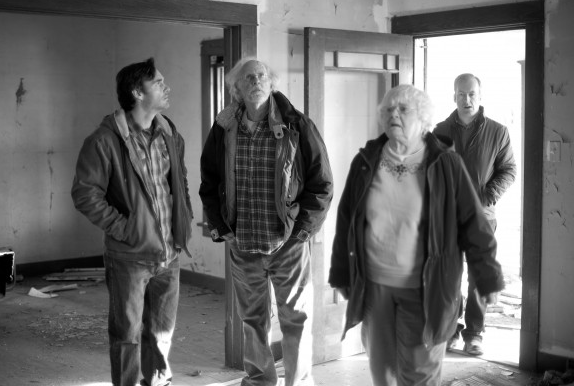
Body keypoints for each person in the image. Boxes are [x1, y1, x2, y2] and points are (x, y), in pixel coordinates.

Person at [328, 84, 505, 386]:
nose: (393, 114)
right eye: (388, 109)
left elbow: (473, 224)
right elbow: (347, 221)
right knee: (382, 372)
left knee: (419, 375)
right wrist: (342, 274)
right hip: (375, 289)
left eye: (403, 109)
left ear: (423, 118)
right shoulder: (365, 161)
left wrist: (488, 277)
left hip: (427, 290)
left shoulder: (446, 164)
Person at [199, 58, 333, 386]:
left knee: (296, 319)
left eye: (261, 76)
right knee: (252, 321)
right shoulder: (223, 128)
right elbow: (209, 182)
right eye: (248, 78)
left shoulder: (297, 124)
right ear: (237, 88)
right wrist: (221, 228)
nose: (256, 81)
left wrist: (302, 231)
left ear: (271, 83)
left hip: (288, 243)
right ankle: (260, 381)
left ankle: (298, 383)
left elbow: (322, 183)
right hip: (243, 243)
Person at [71, 58, 193, 386]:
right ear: (138, 92)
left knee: (162, 334)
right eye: (159, 83)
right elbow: (85, 194)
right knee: (126, 335)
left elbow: (178, 182)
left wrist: (184, 221)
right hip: (129, 257)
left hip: (169, 254)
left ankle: (157, 382)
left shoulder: (169, 133)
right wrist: (125, 229)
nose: (166, 87)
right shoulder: (104, 140)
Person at [433, 73, 516, 356]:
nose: (466, 99)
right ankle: (450, 330)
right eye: (461, 94)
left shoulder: (498, 131)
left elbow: (509, 170)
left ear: (480, 96)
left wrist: (485, 196)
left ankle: (474, 334)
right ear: (453, 96)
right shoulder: (440, 131)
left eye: (471, 94)